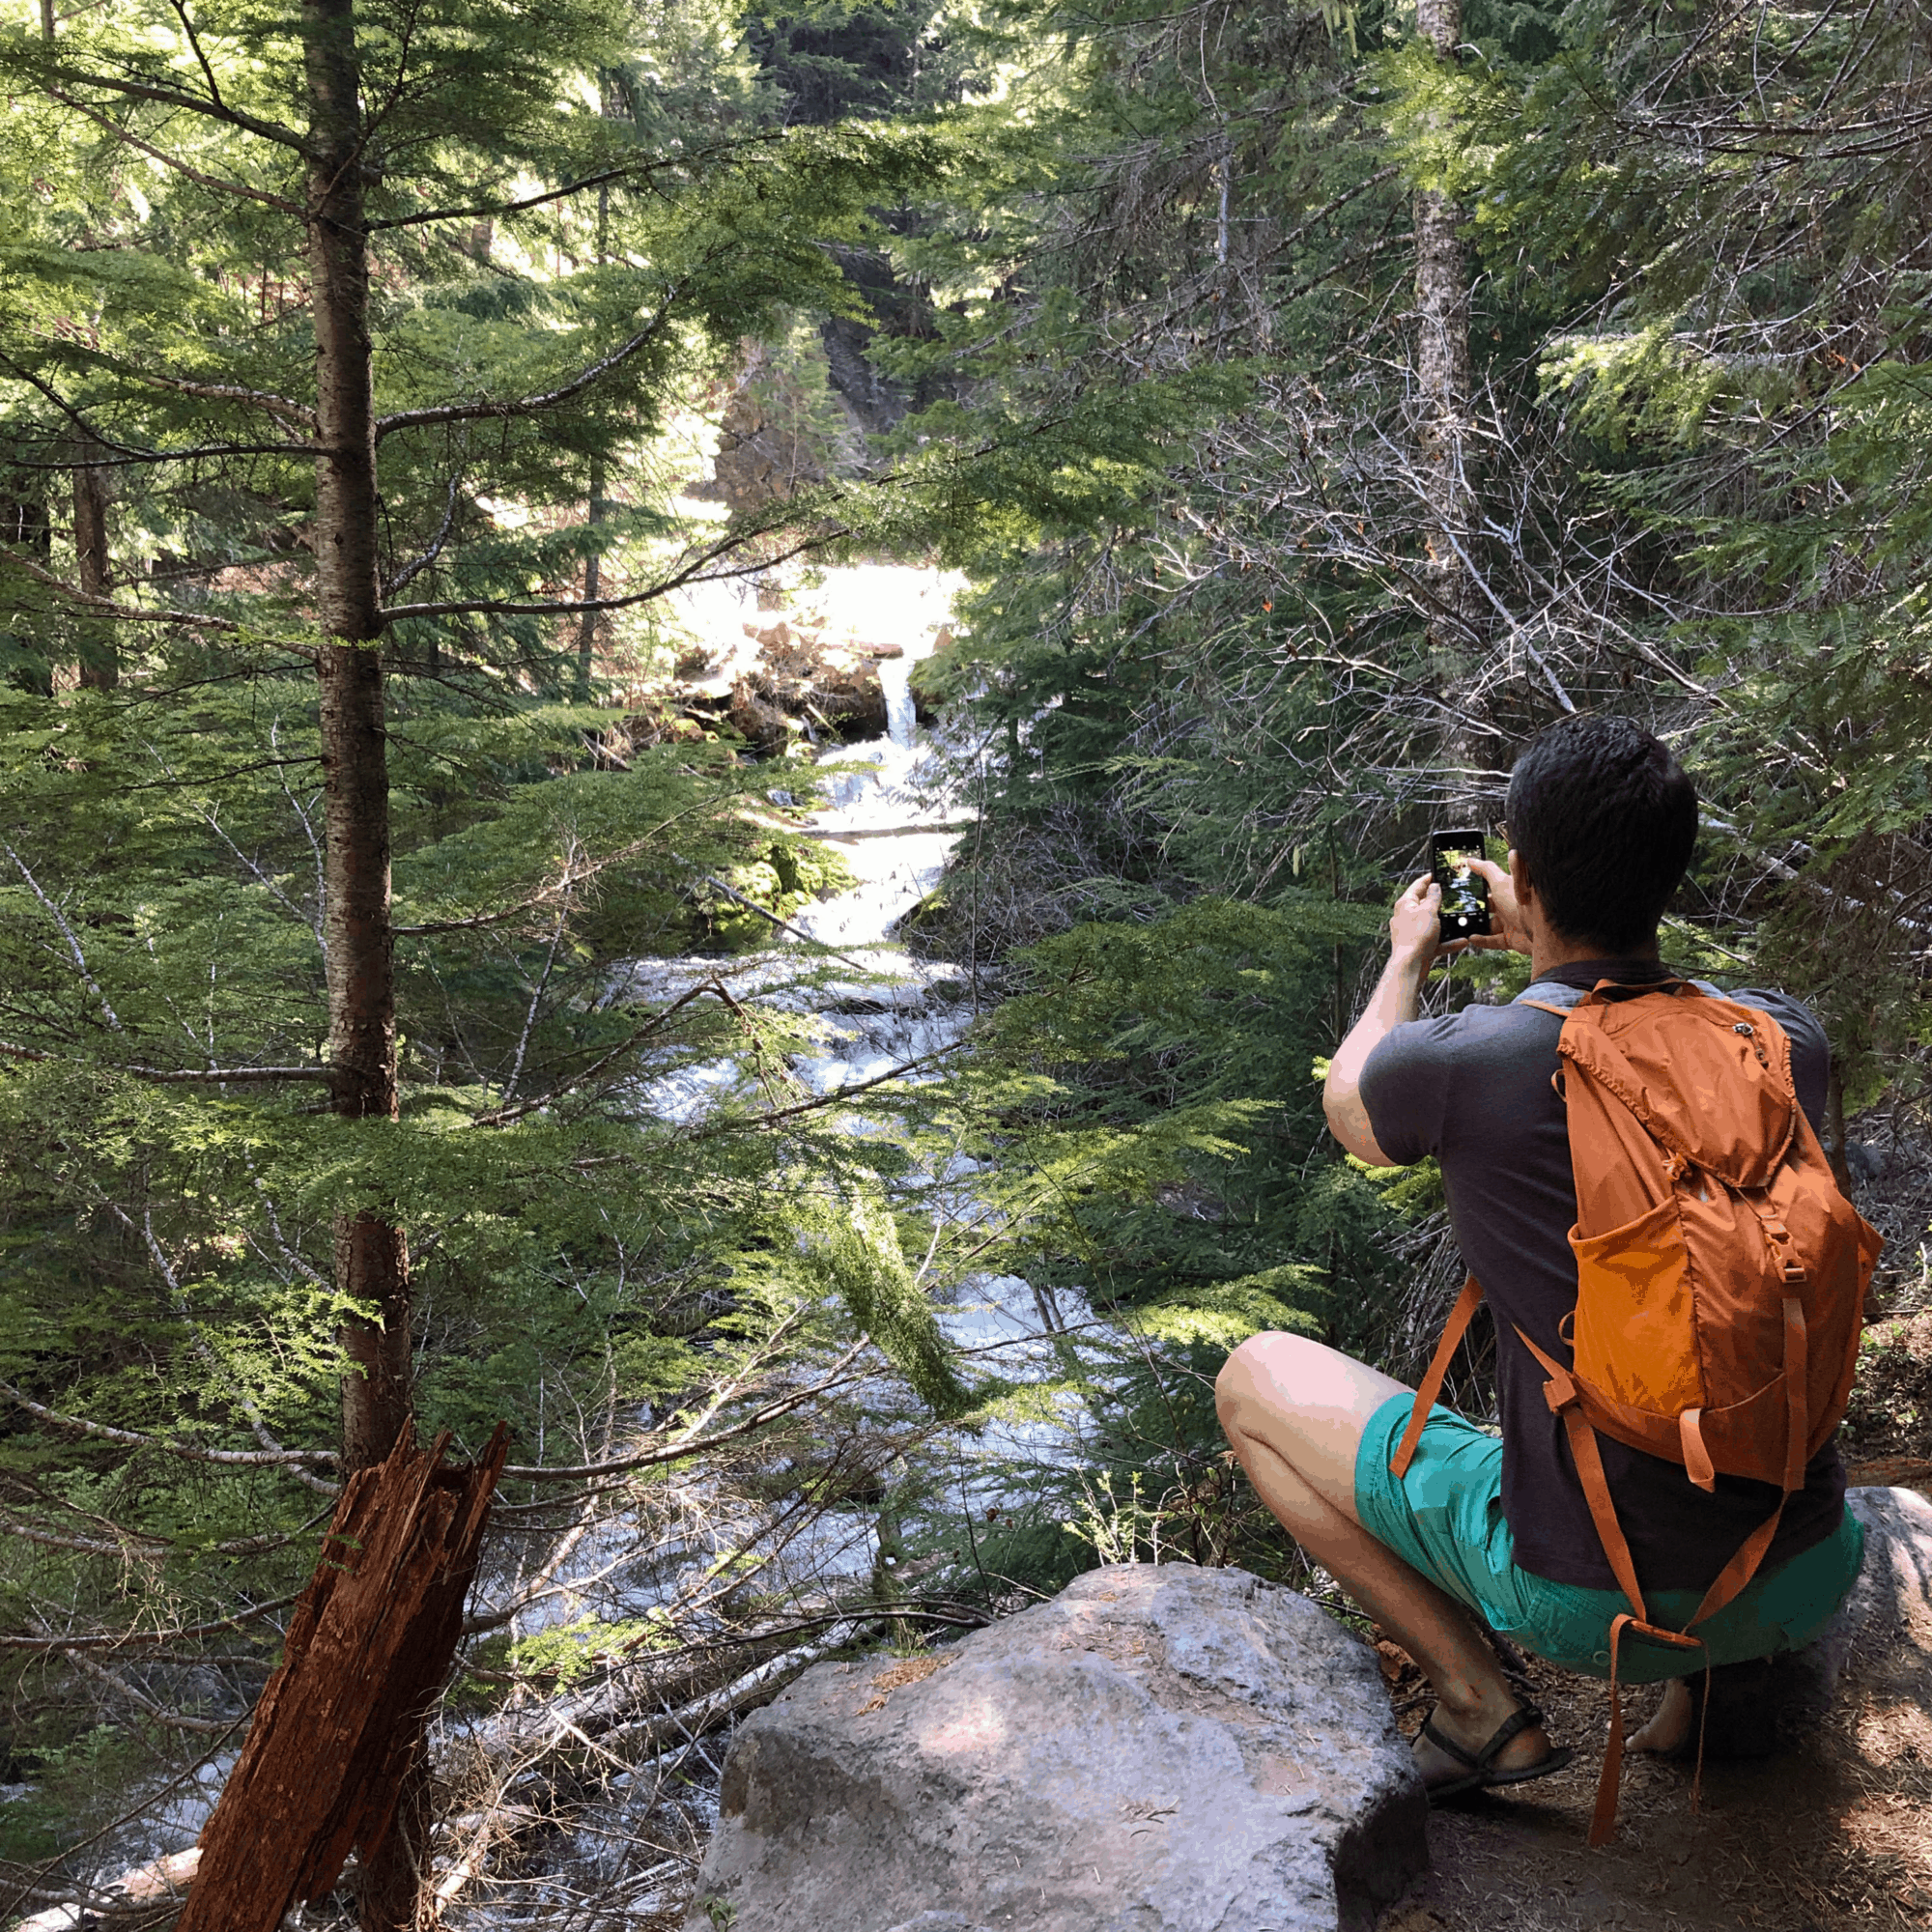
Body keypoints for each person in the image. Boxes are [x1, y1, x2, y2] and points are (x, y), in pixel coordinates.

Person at [1216, 715, 1866, 1796]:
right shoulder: (1779, 1036)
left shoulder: (1471, 1059)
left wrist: (1404, 957)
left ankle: (1479, 1707)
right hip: (1803, 1560)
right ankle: (1721, 1686)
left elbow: (1349, 1103)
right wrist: (1563, 922)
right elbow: (1653, 1026)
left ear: (1518, 871)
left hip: (1588, 1595)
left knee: (1253, 1376)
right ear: (1669, 872)